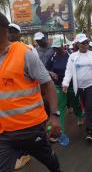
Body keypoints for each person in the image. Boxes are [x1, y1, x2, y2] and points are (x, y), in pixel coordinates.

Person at [0, 12, 62, 172]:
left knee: (50, 160)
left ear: (3, 30)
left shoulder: (25, 53)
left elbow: (48, 85)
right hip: (3, 133)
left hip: (30, 128)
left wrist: (54, 116)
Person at [62, 34, 92, 142]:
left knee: (90, 107)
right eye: (83, 43)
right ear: (77, 44)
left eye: (87, 42)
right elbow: (69, 71)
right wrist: (65, 83)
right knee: (86, 107)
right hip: (80, 88)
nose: (85, 45)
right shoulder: (73, 57)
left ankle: (89, 132)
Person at [46, 36, 84, 142]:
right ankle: (59, 131)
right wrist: (51, 73)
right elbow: (45, 69)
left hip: (71, 86)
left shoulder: (70, 56)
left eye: (57, 48)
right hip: (58, 86)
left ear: (63, 46)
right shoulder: (52, 57)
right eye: (54, 48)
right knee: (60, 107)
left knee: (75, 104)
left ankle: (80, 115)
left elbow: (76, 69)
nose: (56, 50)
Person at [7, 23, 33, 170]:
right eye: (8, 31)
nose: (11, 34)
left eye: (14, 32)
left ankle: (24, 154)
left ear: (20, 35)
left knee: (22, 131)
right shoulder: (3, 51)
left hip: (24, 101)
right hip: (8, 102)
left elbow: (38, 76)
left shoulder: (28, 50)